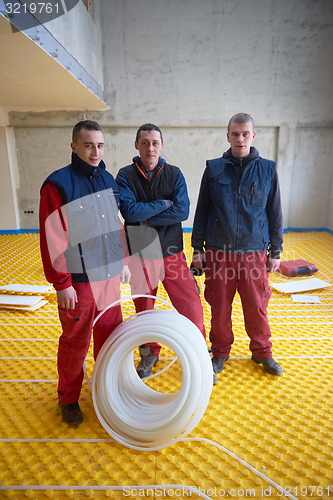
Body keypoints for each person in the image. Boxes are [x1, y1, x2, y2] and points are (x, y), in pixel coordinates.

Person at [39, 120, 130, 423]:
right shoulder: (58, 184)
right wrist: (61, 283)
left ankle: (106, 391)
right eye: (89, 145)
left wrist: (124, 261)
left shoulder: (107, 179)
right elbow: (53, 238)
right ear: (74, 146)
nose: (95, 151)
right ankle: (68, 399)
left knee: (110, 338)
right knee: (76, 343)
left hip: (109, 276)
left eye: (100, 145)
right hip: (79, 282)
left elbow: (116, 224)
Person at [191, 113, 283, 382]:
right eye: (235, 133)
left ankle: (262, 352)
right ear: (228, 135)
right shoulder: (214, 169)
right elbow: (202, 211)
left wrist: (275, 251)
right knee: (219, 306)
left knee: (257, 306)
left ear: (253, 136)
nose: (240, 138)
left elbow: (275, 213)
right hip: (219, 252)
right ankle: (219, 352)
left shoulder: (268, 169)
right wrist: (198, 248)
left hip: (254, 252)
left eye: (245, 133)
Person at [116, 123, 208, 379]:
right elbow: (129, 212)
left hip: (171, 251)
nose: (150, 147)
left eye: (155, 142)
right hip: (141, 253)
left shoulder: (175, 174)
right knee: (144, 308)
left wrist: (145, 218)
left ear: (162, 145)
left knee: (190, 304)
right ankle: (148, 356)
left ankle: (199, 355)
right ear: (137, 145)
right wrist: (162, 205)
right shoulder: (124, 175)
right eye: (145, 142)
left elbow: (182, 211)